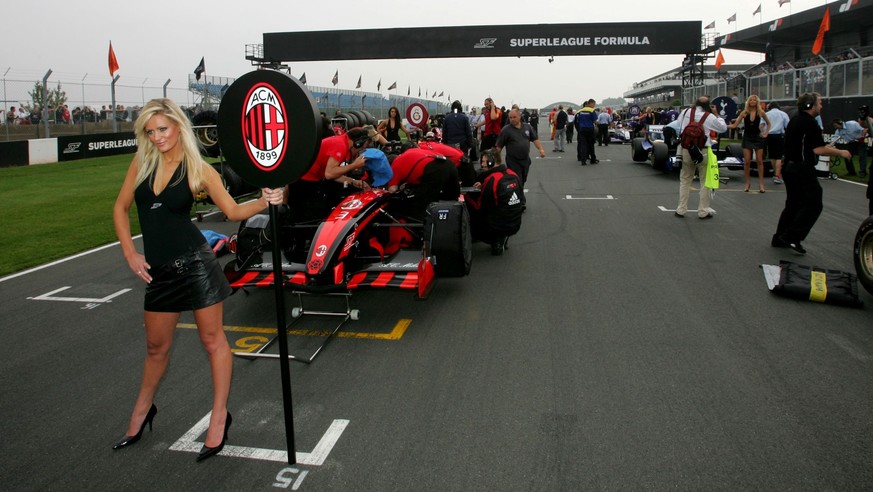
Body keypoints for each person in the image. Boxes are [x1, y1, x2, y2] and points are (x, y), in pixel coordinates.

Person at [112, 98, 285, 461]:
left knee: (212, 342)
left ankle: (220, 417)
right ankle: (142, 413)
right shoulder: (141, 162)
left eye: (163, 128)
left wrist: (265, 200)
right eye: (150, 131)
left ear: (178, 126)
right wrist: (130, 252)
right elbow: (120, 208)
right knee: (155, 349)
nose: (157, 137)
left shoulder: (198, 168)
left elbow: (233, 211)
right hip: (158, 271)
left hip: (196, 265)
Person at [772, 93, 852, 254]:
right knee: (814, 203)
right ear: (810, 105)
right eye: (819, 103)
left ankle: (779, 237)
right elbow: (818, 149)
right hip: (801, 168)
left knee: (793, 204)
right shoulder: (809, 123)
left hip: (790, 167)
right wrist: (841, 152)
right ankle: (792, 236)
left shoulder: (795, 119)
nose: (821, 106)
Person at [674, 96, 727, 219]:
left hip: (686, 148)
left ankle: (681, 209)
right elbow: (723, 128)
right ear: (709, 105)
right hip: (702, 149)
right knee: (705, 180)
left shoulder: (686, 111)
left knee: (685, 179)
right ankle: (703, 210)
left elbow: (678, 124)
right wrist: (717, 114)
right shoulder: (710, 116)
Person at [466, 151, 524, 255]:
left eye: (484, 161)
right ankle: (502, 236)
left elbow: (480, 206)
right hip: (515, 222)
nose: (482, 164)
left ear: (491, 162)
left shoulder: (492, 179)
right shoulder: (513, 174)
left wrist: (466, 196)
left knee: (471, 209)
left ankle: (496, 239)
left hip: (498, 224)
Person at [386, 145, 460, 220]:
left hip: (434, 170)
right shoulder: (409, 152)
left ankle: (423, 227)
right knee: (452, 202)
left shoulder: (394, 167)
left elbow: (392, 190)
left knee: (421, 207)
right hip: (449, 164)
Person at [727, 95, 771, 193]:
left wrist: (766, 133)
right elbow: (735, 125)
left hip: (757, 138)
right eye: (751, 100)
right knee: (747, 161)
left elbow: (769, 123)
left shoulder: (761, 112)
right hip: (747, 138)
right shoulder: (744, 113)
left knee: (759, 161)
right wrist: (723, 126)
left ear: (757, 102)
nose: (752, 101)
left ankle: (761, 184)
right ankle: (747, 183)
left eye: (754, 100)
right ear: (748, 102)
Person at [494, 108, 546, 187]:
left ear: (519, 116)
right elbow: (499, 146)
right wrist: (496, 161)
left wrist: (541, 149)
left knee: (523, 179)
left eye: (514, 117)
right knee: (517, 180)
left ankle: (519, 192)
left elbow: (535, 139)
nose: (512, 119)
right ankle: (519, 197)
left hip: (525, 160)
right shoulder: (506, 130)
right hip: (513, 161)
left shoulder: (527, 127)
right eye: (510, 118)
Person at [764, 101, 790, 184]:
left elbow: (762, 125)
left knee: (772, 155)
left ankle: (776, 174)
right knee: (779, 156)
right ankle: (777, 175)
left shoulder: (767, 114)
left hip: (769, 135)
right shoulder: (783, 114)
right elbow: (788, 125)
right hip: (779, 135)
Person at [477, 98, 503, 162]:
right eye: (485, 104)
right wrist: (478, 125)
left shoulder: (497, 110)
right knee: (483, 152)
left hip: (495, 135)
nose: (486, 106)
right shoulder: (487, 111)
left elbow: (493, 117)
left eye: (487, 104)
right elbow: (487, 120)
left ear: (491, 103)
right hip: (487, 134)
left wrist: (493, 107)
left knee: (495, 154)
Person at [575, 99, 598, 165]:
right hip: (590, 129)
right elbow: (594, 121)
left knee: (583, 145)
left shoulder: (580, 111)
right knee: (591, 144)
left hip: (582, 129)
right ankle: (593, 160)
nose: (594, 106)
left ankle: (583, 160)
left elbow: (578, 120)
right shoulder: (592, 110)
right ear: (590, 103)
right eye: (594, 104)